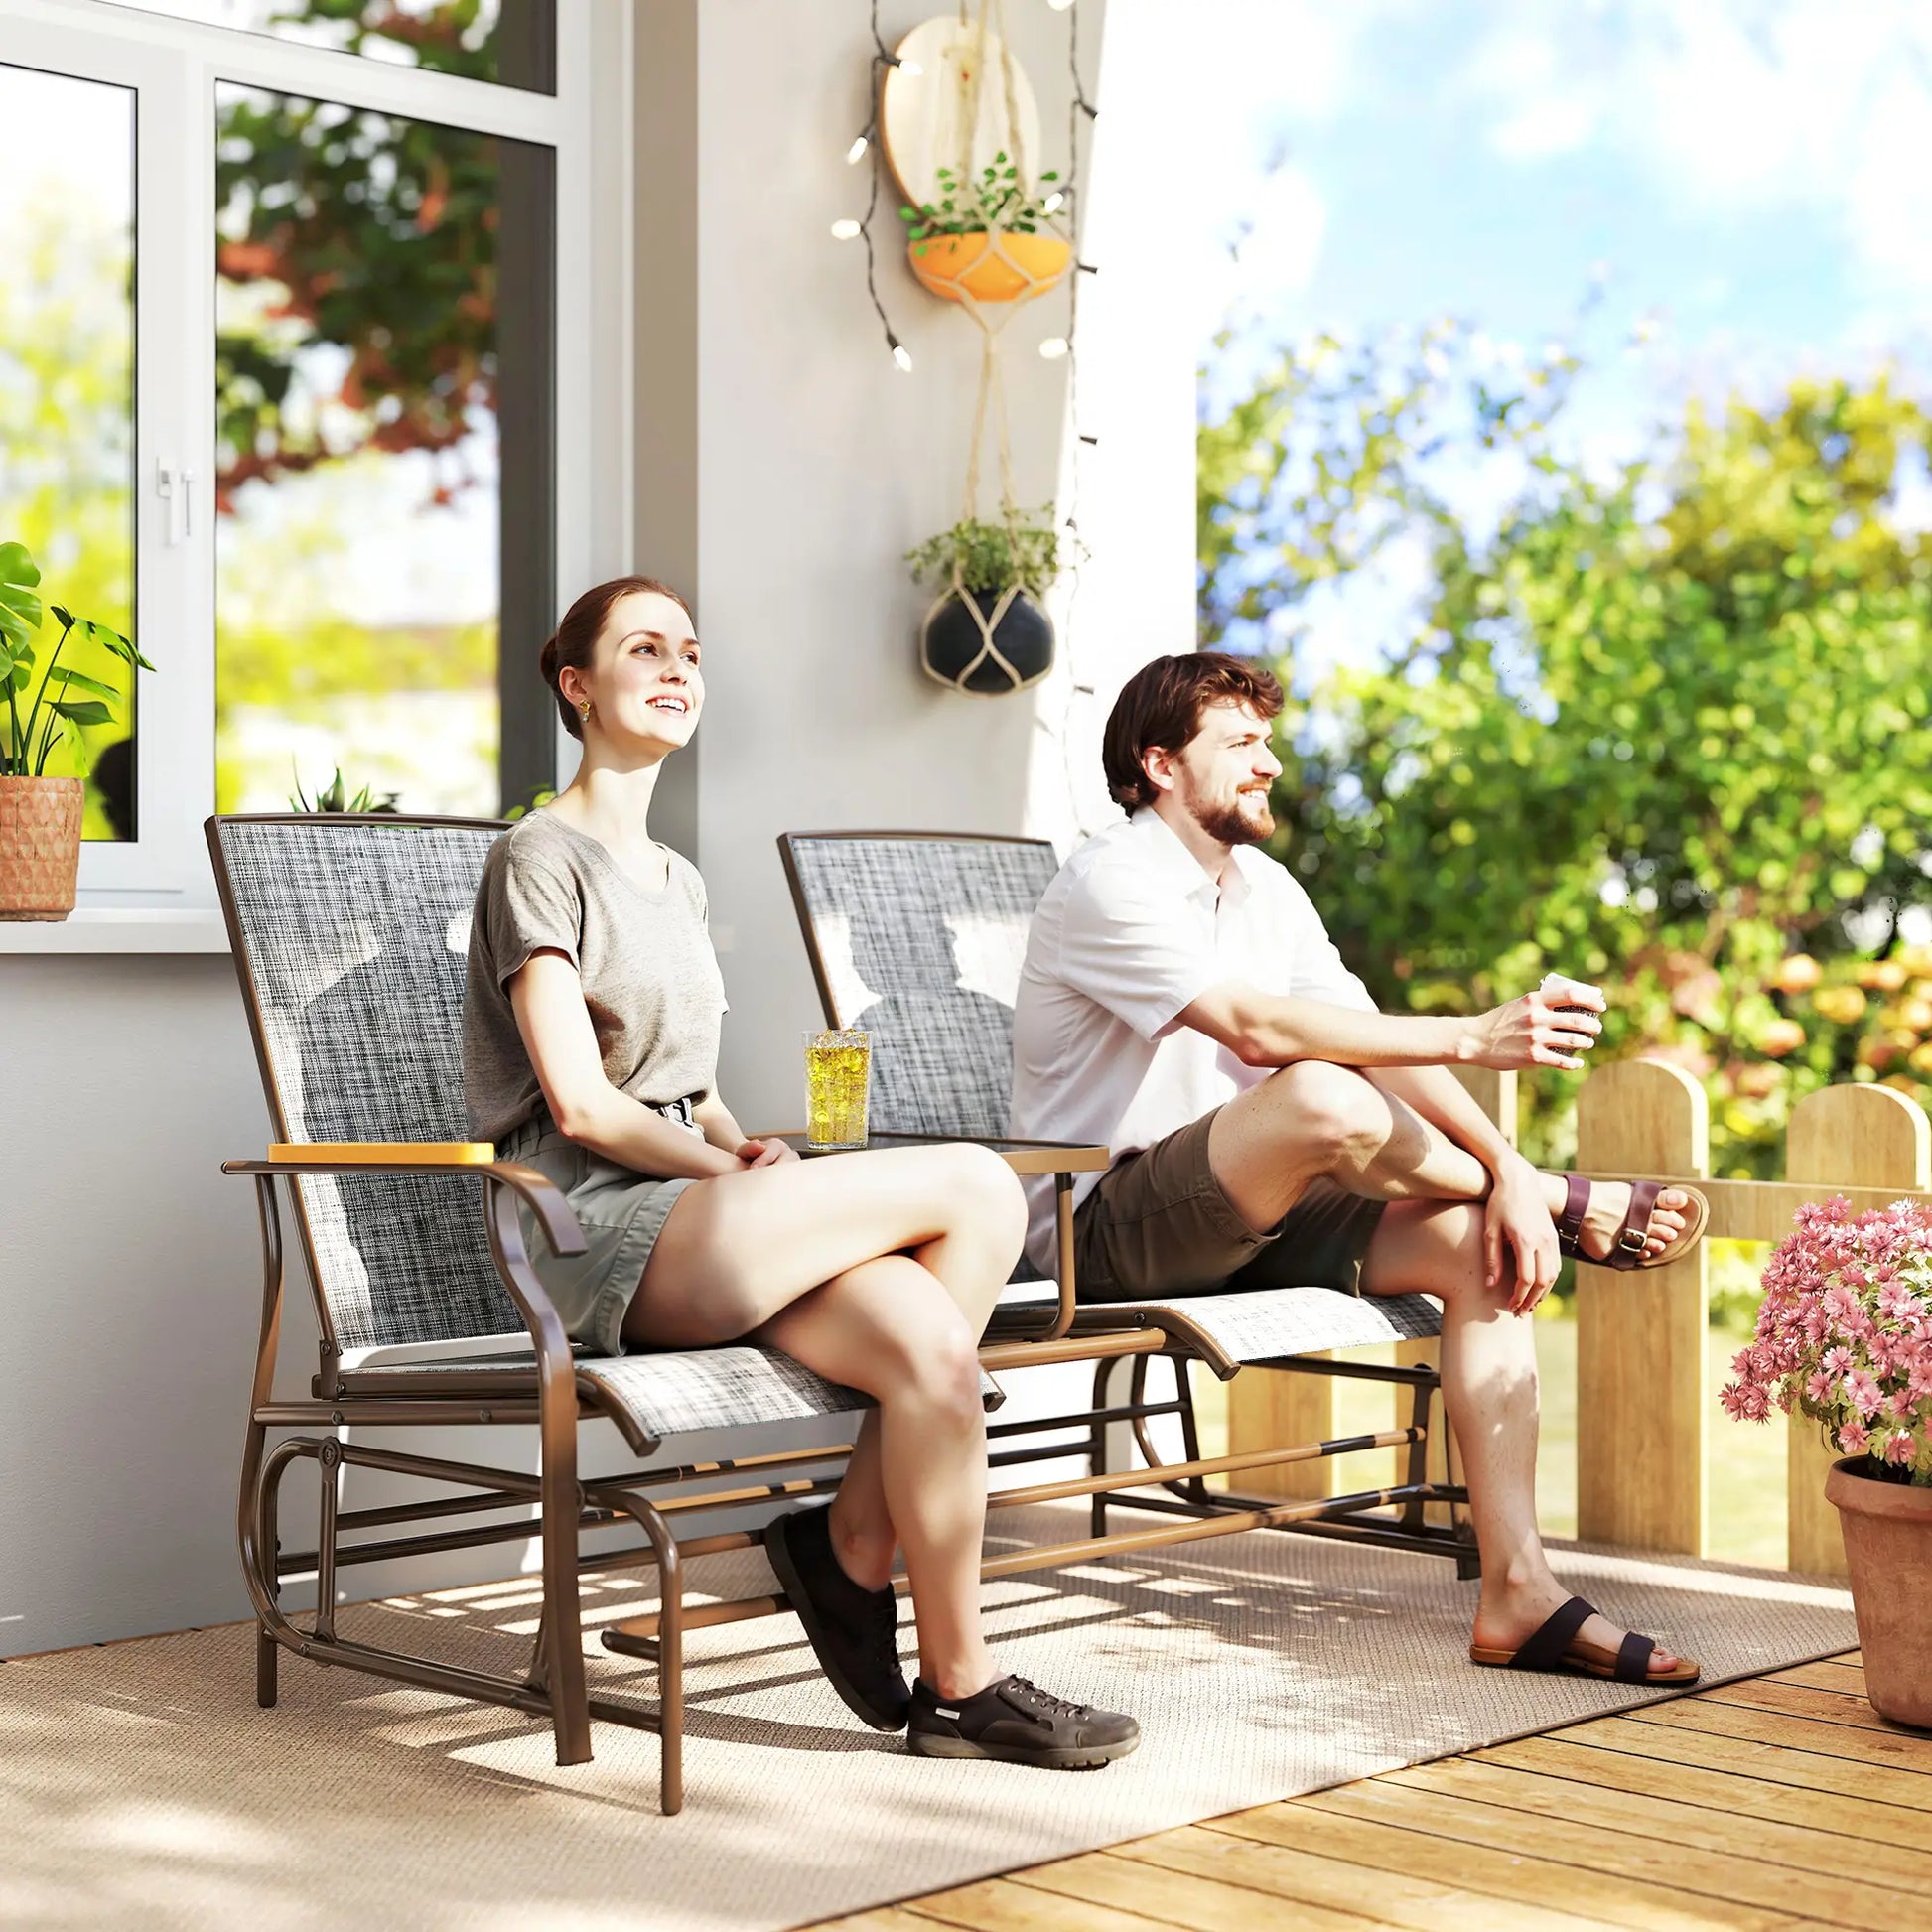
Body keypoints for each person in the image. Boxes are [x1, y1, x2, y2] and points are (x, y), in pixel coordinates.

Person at [462, 576, 1138, 1767]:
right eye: (641, 649)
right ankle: (840, 1548)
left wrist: (740, 1142)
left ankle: (953, 1681)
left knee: (932, 1354)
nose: (676, 667)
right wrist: (722, 1168)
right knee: (977, 1183)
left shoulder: (679, 879)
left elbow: (694, 1085)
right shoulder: (537, 855)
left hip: (697, 1205)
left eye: (689, 650)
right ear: (577, 684)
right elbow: (580, 1102)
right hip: (591, 1227)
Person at [1011, 651, 1714, 1686]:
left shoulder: (1264, 888)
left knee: (1481, 1243)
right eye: (1240, 742)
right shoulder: (1109, 879)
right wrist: (1481, 1039)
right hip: (1105, 1232)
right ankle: (1564, 1201)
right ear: (1158, 764)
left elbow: (1373, 1032)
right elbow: (1256, 1030)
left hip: (1257, 1208)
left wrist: (1505, 1167)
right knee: (1320, 1095)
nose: (1269, 761)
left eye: (1267, 739)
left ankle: (1518, 1591)